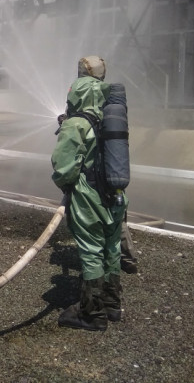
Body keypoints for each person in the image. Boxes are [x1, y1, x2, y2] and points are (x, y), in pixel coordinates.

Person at [51, 56, 126, 332]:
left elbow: (63, 169)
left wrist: (67, 185)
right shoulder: (111, 116)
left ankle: (92, 314)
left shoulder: (76, 125)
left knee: (92, 251)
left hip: (89, 198)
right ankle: (112, 305)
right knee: (112, 249)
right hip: (115, 195)